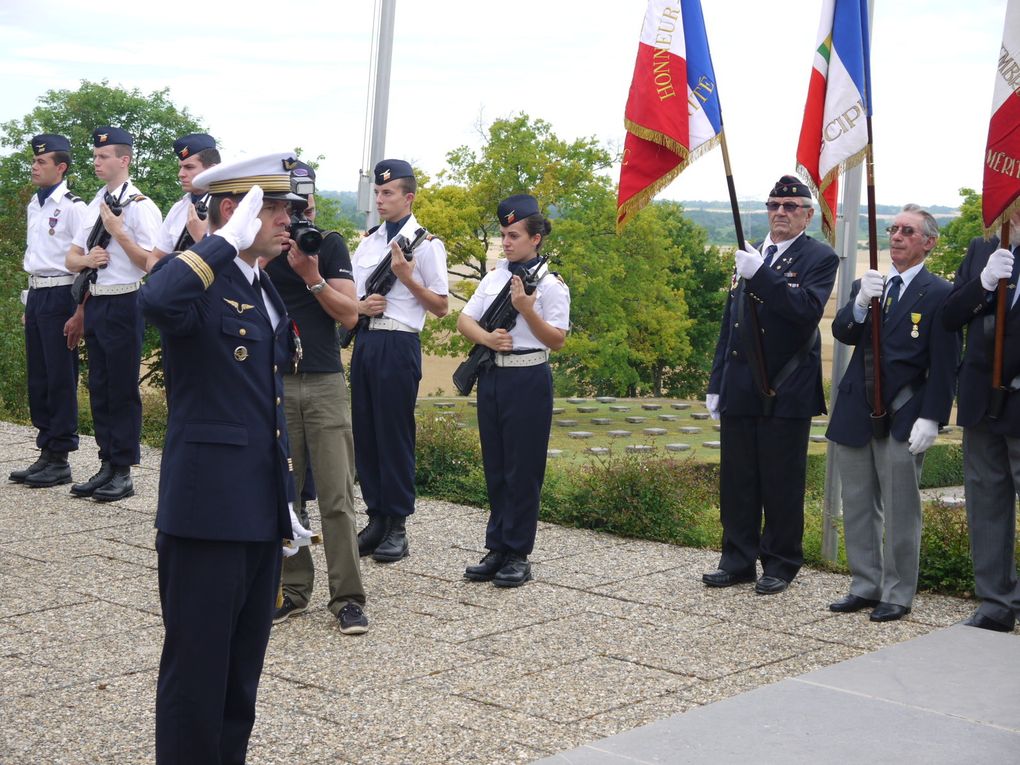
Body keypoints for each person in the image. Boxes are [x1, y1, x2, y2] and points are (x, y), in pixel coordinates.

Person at [139, 152, 310, 764]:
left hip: (256, 511)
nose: (290, 220)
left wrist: (282, 502)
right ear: (237, 210)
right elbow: (156, 301)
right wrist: (221, 244)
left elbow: (262, 405)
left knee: (240, 678)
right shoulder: (205, 277)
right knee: (197, 676)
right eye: (278, 208)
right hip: (206, 511)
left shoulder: (261, 285)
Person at [703, 175, 838, 595]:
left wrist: (761, 274)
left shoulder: (819, 257)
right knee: (738, 480)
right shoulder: (752, 253)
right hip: (742, 384)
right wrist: (716, 380)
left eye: (791, 206)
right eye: (774, 205)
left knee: (781, 481)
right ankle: (737, 559)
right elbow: (734, 321)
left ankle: (780, 563)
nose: (780, 212)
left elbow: (804, 310)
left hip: (788, 386)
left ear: (808, 215)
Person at [826, 205, 959, 622]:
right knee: (859, 504)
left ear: (929, 242)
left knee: (901, 509)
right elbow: (844, 331)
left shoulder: (940, 294)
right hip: (855, 410)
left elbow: (945, 362)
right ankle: (865, 584)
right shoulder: (870, 284)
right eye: (893, 229)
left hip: (904, 414)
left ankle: (898, 592)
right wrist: (862, 302)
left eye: (907, 231)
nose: (897, 237)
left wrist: (932, 418)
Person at [267, 162, 369, 634]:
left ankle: (347, 597)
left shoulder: (326, 244)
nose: (298, 213)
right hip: (275, 380)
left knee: (337, 496)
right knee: (285, 496)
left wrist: (311, 275)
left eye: (303, 201)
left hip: (324, 380)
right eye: (288, 204)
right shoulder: (261, 247)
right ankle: (293, 588)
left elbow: (351, 315)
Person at [457, 194, 569, 586]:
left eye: (514, 235)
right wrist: (487, 338)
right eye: (504, 234)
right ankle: (497, 547)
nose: (506, 242)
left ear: (536, 238)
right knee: (497, 467)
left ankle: (518, 553)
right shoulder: (494, 277)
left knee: (523, 471)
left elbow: (556, 340)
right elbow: (463, 320)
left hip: (528, 379)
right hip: (493, 377)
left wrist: (527, 310)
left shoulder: (551, 285)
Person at [351, 159, 449, 563]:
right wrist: (361, 307)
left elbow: (441, 306)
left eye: (388, 193)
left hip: (398, 342)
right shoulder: (370, 241)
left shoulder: (426, 245)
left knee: (394, 435)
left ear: (408, 197)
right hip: (367, 341)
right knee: (367, 434)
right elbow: (352, 295)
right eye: (377, 192)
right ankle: (376, 516)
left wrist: (407, 277)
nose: (380, 199)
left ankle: (397, 524)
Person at [65, 126, 162, 502]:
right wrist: (87, 259)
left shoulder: (141, 205)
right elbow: (71, 259)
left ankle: (123, 469)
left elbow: (151, 263)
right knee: (100, 386)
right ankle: (106, 462)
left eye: (103, 156)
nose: (96, 162)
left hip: (125, 301)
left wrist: (119, 233)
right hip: (97, 299)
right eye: (94, 156)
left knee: (122, 388)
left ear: (124, 160)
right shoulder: (94, 203)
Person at [942, 208, 1020, 633]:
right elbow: (951, 315)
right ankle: (996, 602)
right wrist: (984, 283)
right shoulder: (983, 248)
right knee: (987, 502)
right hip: (981, 398)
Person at [9, 134, 89, 488]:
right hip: (39, 293)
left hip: (62, 294)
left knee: (59, 376)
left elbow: (84, 264)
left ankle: (61, 456)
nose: (34, 166)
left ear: (61, 167)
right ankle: (46, 451)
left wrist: (80, 310)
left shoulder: (74, 207)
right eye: (34, 161)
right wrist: (30, 301)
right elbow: (36, 258)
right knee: (39, 376)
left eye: (41, 162)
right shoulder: (34, 204)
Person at [147, 132, 220, 271]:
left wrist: (201, 238)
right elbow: (154, 257)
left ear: (212, 170)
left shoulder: (228, 207)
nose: (180, 174)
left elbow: (238, 267)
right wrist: (167, 281)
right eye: (180, 167)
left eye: (189, 167)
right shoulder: (179, 207)